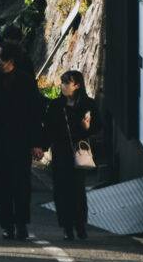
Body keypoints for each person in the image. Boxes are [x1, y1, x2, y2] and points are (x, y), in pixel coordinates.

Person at [0, 43, 45, 241]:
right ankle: (7, 225)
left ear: (11, 59)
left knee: (22, 185)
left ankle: (21, 224)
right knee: (2, 185)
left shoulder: (27, 81)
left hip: (21, 141)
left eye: (0, 57)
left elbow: (35, 114)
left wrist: (37, 143)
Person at [43, 70, 101, 240]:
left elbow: (99, 127)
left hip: (79, 152)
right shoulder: (56, 105)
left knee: (77, 190)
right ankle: (67, 226)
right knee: (61, 190)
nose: (63, 86)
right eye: (62, 82)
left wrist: (88, 127)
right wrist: (41, 147)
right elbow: (48, 128)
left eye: (67, 83)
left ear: (77, 85)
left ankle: (80, 224)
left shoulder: (88, 104)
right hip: (60, 152)